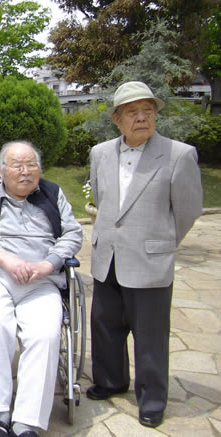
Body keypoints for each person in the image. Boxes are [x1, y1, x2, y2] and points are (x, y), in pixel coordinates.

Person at [87, 81, 203, 428]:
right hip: (107, 256)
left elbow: (188, 210)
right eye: (133, 112)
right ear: (117, 119)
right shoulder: (100, 153)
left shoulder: (178, 154)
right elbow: (102, 199)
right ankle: (110, 381)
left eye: (148, 112)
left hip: (150, 259)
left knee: (150, 334)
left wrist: (162, 241)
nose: (141, 118)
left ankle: (152, 397)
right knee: (105, 325)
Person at [0, 141, 82, 437]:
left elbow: (73, 234)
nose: (25, 172)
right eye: (17, 166)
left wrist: (48, 264)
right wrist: (3, 258)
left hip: (41, 280)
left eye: (31, 165)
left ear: (39, 169)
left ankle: (27, 421)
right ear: (2, 171)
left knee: (45, 334)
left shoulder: (53, 194)